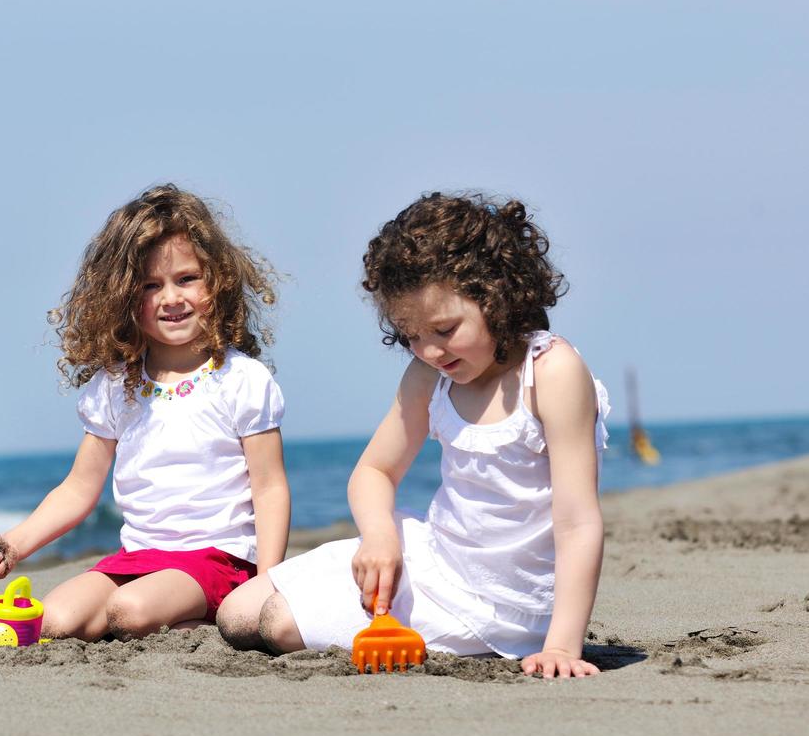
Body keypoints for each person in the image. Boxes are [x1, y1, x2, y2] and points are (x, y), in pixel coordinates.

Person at [218, 193, 610, 678]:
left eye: (444, 329)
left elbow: (577, 522)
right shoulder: (431, 376)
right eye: (410, 335)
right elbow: (374, 471)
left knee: (277, 625)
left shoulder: (551, 373)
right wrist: (380, 537)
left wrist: (564, 647)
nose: (428, 350)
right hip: (434, 558)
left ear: (499, 295)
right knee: (235, 613)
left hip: (504, 603)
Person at [0, 184, 290, 640]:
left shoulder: (241, 379)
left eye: (186, 279)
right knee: (54, 621)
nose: (170, 297)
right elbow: (79, 488)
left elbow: (270, 487)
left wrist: (267, 581)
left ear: (217, 282)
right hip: (138, 559)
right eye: (149, 286)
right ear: (122, 298)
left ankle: (204, 621)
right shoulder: (115, 387)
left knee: (130, 611)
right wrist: (14, 544)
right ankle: (173, 620)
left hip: (219, 559)